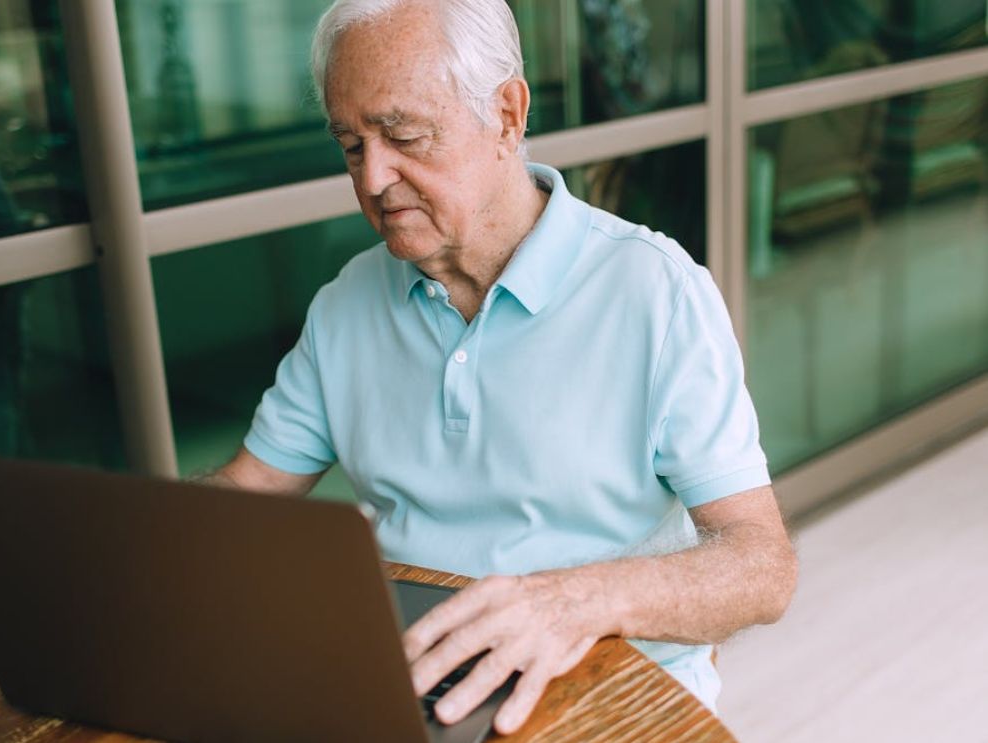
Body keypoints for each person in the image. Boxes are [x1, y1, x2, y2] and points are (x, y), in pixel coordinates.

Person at [206, 0, 797, 733]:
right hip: (405, 672)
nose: (374, 179)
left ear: (508, 115)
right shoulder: (348, 300)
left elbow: (761, 566)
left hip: (599, 682)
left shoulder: (653, 290)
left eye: (403, 134)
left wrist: (571, 601)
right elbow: (243, 493)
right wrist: (138, 551)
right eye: (351, 146)